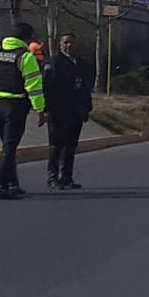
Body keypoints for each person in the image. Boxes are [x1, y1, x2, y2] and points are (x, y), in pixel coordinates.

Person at [0, 22, 49, 200]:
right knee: (9, 146)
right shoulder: (25, 57)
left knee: (8, 145)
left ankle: (13, 183)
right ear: (27, 38)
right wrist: (40, 109)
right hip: (14, 106)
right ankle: (3, 185)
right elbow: (34, 85)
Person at [43, 32, 94, 190]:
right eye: (66, 42)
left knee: (71, 145)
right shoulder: (54, 63)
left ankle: (66, 177)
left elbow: (86, 88)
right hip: (58, 111)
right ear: (60, 44)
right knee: (56, 145)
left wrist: (87, 108)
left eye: (71, 42)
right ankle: (52, 177)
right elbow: (46, 87)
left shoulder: (82, 64)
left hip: (76, 110)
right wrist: (45, 109)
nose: (69, 45)